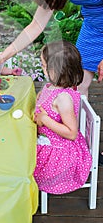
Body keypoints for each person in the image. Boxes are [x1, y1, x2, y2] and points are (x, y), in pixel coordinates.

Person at [33, 40, 92, 194]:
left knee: (23, 159)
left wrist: (45, 120)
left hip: (60, 151)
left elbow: (72, 133)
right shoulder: (51, 86)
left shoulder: (64, 98)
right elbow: (45, 98)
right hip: (47, 139)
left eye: (45, 66)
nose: (42, 69)